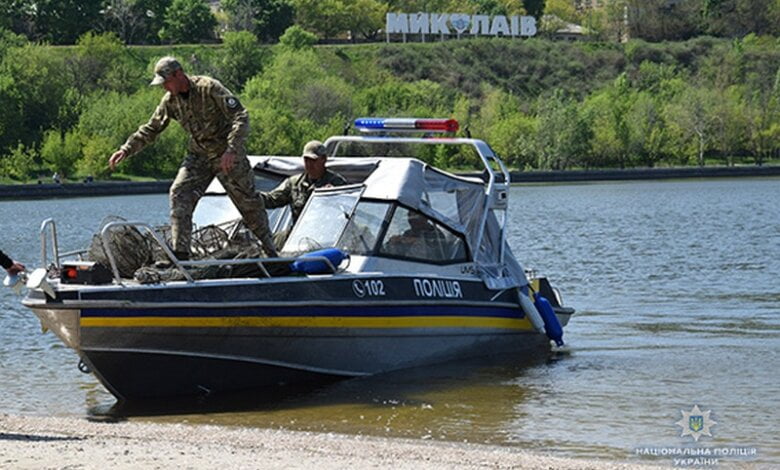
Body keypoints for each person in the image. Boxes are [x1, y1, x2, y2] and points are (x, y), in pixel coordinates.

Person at [108, 56, 276, 259]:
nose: (165, 88)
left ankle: (271, 251)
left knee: (248, 203)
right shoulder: (170, 100)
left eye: (167, 82)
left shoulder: (209, 87)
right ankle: (181, 256)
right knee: (179, 193)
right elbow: (151, 129)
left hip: (226, 155)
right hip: (199, 156)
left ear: (178, 74)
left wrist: (232, 150)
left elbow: (240, 116)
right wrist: (126, 149)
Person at [261, 140, 346, 245]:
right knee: (269, 247)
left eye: (313, 160)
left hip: (325, 239)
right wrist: (246, 195)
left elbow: (347, 212)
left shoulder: (337, 183)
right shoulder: (295, 183)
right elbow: (271, 199)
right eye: (306, 160)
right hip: (297, 237)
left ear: (324, 159)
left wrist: (334, 197)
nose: (309, 164)